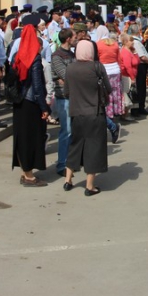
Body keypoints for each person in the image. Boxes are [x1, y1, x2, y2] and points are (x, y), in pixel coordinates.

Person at [63, 40, 110, 196]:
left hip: (76, 112)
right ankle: (89, 186)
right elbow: (108, 88)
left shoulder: (70, 68)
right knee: (94, 147)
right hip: (95, 112)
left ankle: (68, 180)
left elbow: (66, 92)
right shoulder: (97, 67)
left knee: (75, 145)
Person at [10, 23, 50, 187]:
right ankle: (29, 176)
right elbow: (37, 85)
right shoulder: (35, 57)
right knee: (32, 138)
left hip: (19, 101)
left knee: (21, 137)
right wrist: (44, 107)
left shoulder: (18, 55)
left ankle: (24, 171)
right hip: (31, 102)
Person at [51, 28, 76, 175]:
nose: (76, 39)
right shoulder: (57, 56)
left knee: (74, 130)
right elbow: (66, 74)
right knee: (66, 131)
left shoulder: (72, 54)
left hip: (74, 95)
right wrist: (66, 78)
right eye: (74, 37)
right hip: (63, 97)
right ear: (68, 39)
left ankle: (71, 162)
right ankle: (62, 164)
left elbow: (74, 73)